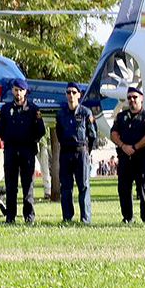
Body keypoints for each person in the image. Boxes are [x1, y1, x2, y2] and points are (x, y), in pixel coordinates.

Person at [0, 77, 46, 224]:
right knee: (11, 185)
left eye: (21, 90)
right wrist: (10, 139)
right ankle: (10, 216)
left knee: (28, 185)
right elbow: (0, 130)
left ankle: (29, 216)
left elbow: (41, 130)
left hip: (27, 151)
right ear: (12, 90)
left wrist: (31, 140)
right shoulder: (6, 109)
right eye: (16, 90)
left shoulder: (33, 110)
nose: (18, 93)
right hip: (11, 150)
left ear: (25, 92)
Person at [111, 85, 145, 224]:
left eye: (135, 97)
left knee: (144, 188)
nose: (132, 100)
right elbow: (113, 133)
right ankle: (127, 217)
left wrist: (135, 147)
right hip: (125, 157)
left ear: (141, 99)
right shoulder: (121, 116)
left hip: (142, 157)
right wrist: (123, 146)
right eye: (129, 98)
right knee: (124, 188)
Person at [55, 81, 97, 223]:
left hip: (81, 152)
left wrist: (86, 151)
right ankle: (67, 217)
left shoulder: (86, 113)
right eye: (68, 92)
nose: (71, 95)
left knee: (83, 186)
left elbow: (92, 135)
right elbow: (59, 134)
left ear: (79, 95)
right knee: (66, 187)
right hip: (66, 153)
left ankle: (85, 218)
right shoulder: (61, 114)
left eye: (74, 92)